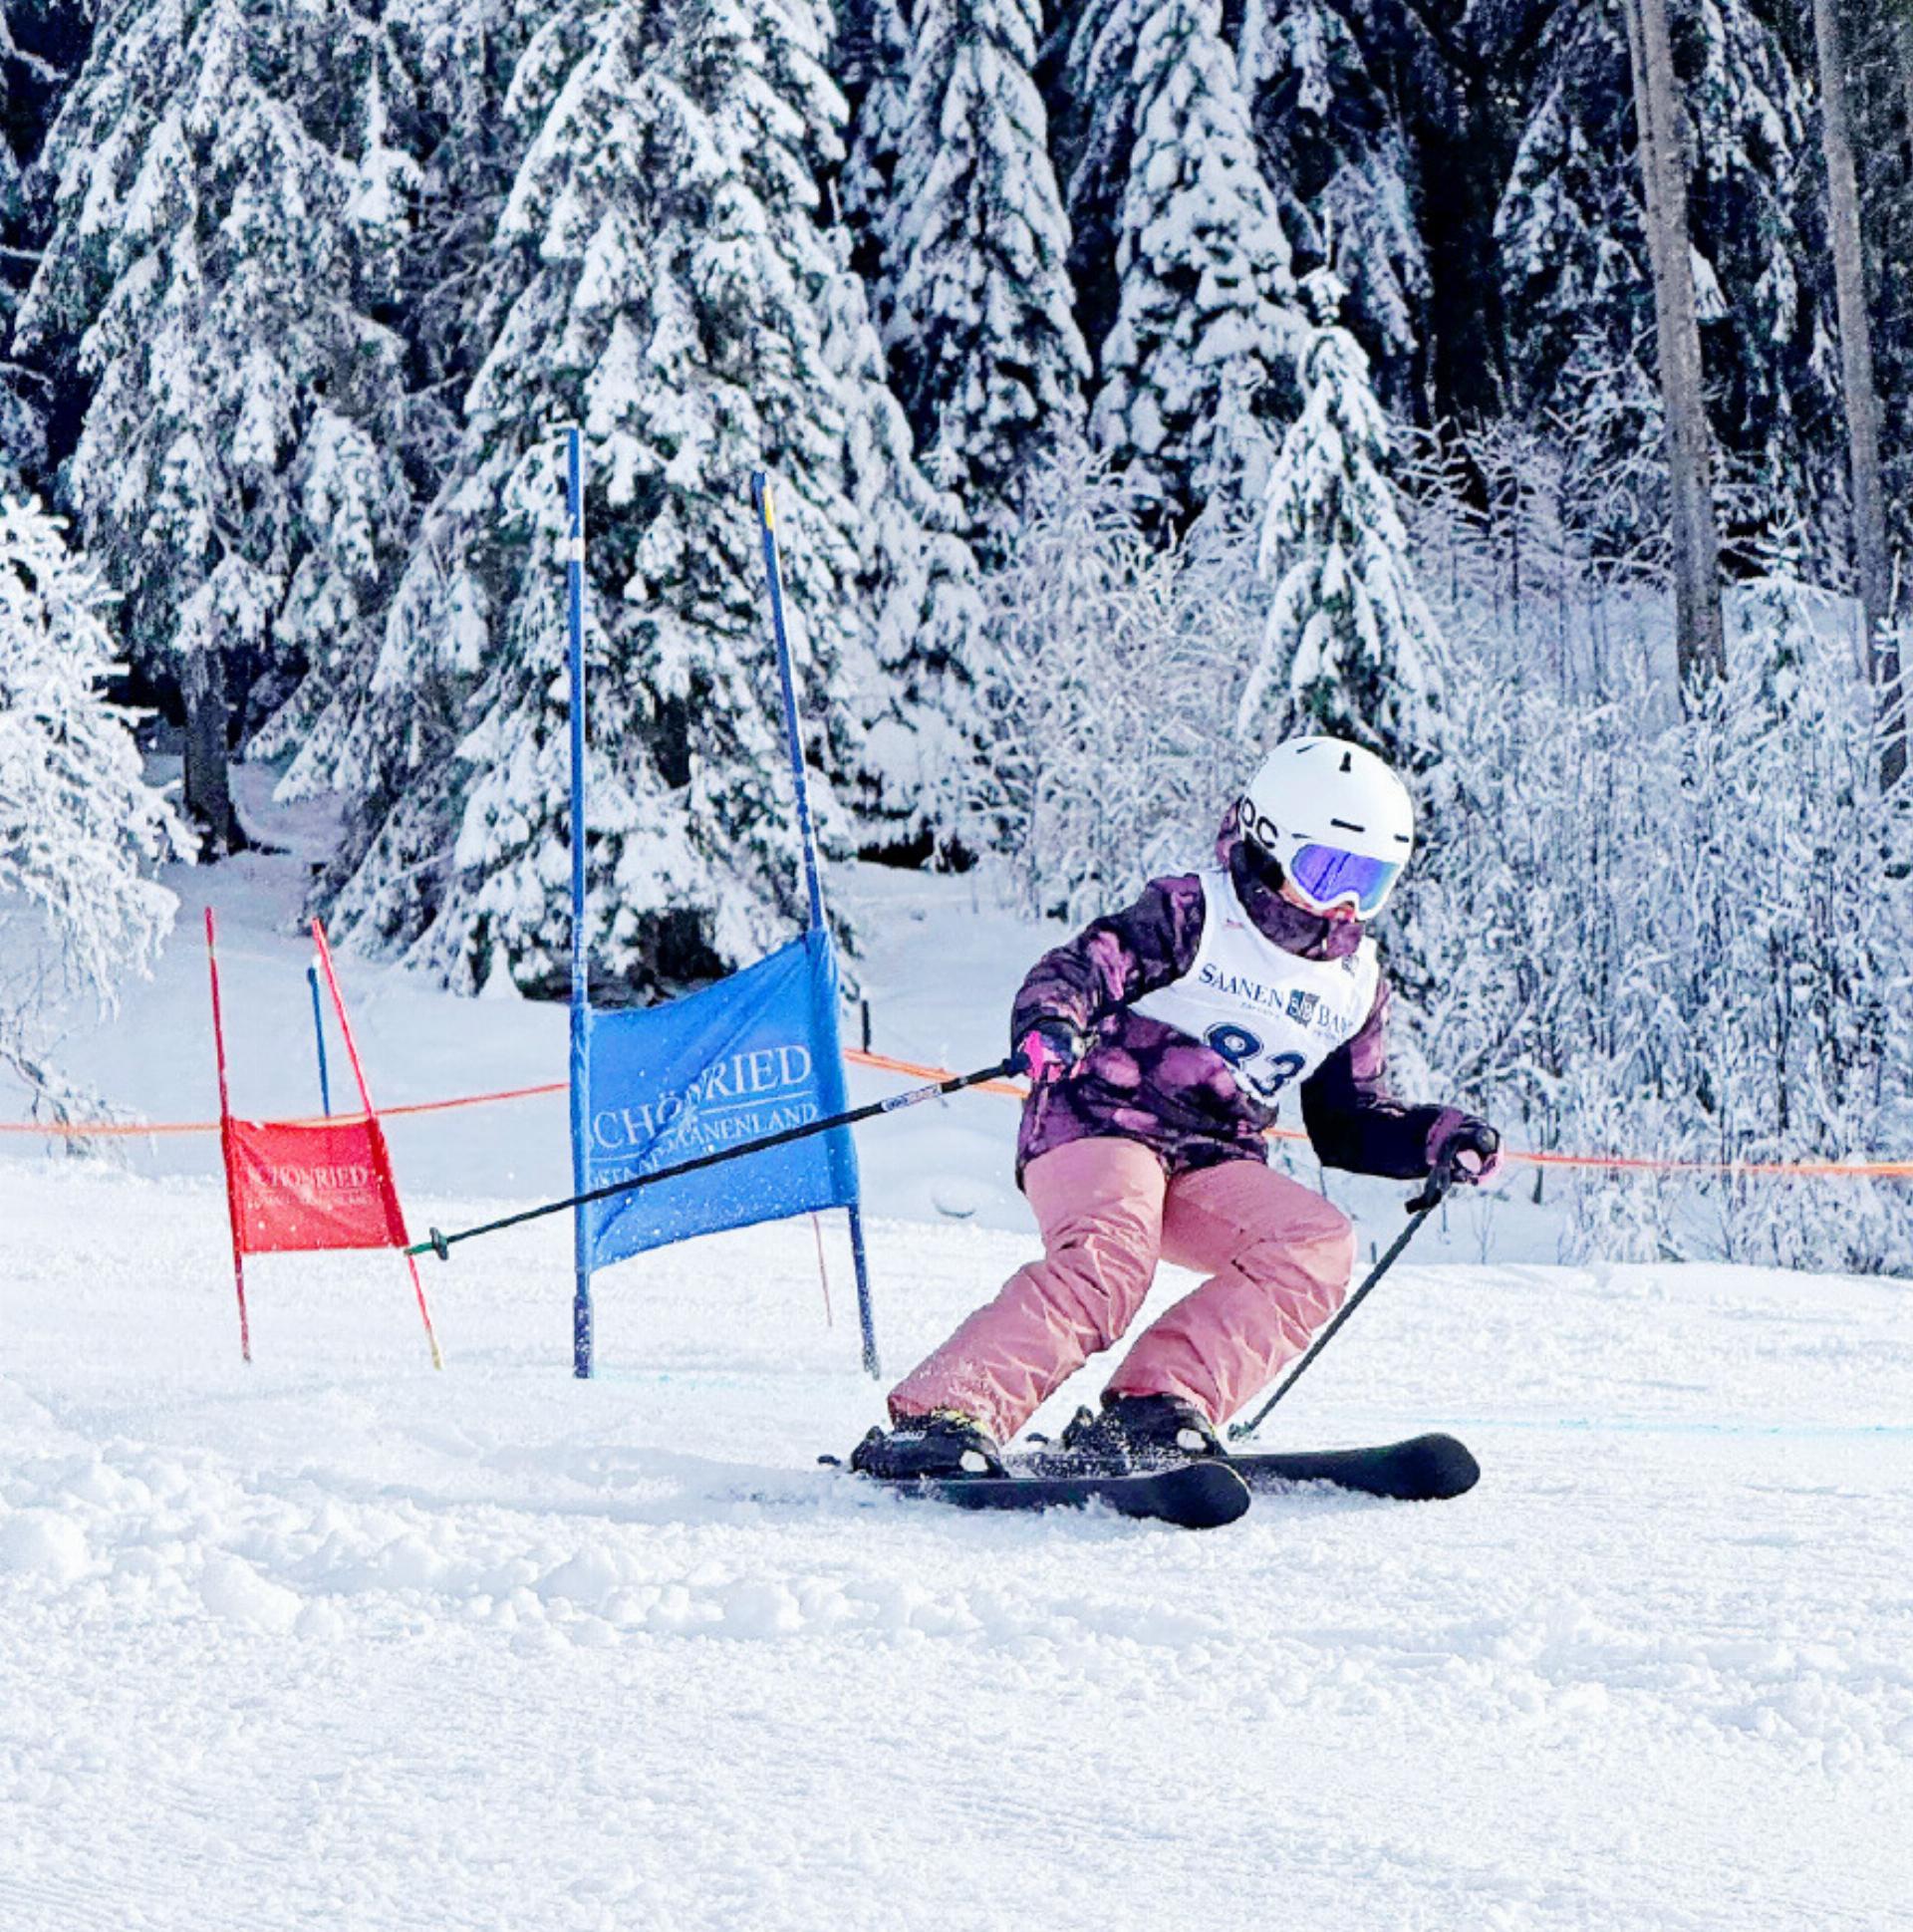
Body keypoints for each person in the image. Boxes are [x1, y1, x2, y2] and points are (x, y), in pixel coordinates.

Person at [851, 735, 1503, 1480]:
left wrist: (1435, 1138)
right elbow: (1079, 967)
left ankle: (1153, 1406)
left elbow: (1347, 1118)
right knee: (1110, 1263)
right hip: (1099, 1120)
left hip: (1212, 1156)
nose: (1345, 904)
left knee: (1316, 1243)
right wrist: (1052, 1021)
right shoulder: (1196, 912)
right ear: (1272, 839)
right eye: (1327, 871)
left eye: (1371, 881)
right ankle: (942, 1414)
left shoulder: (1355, 983)